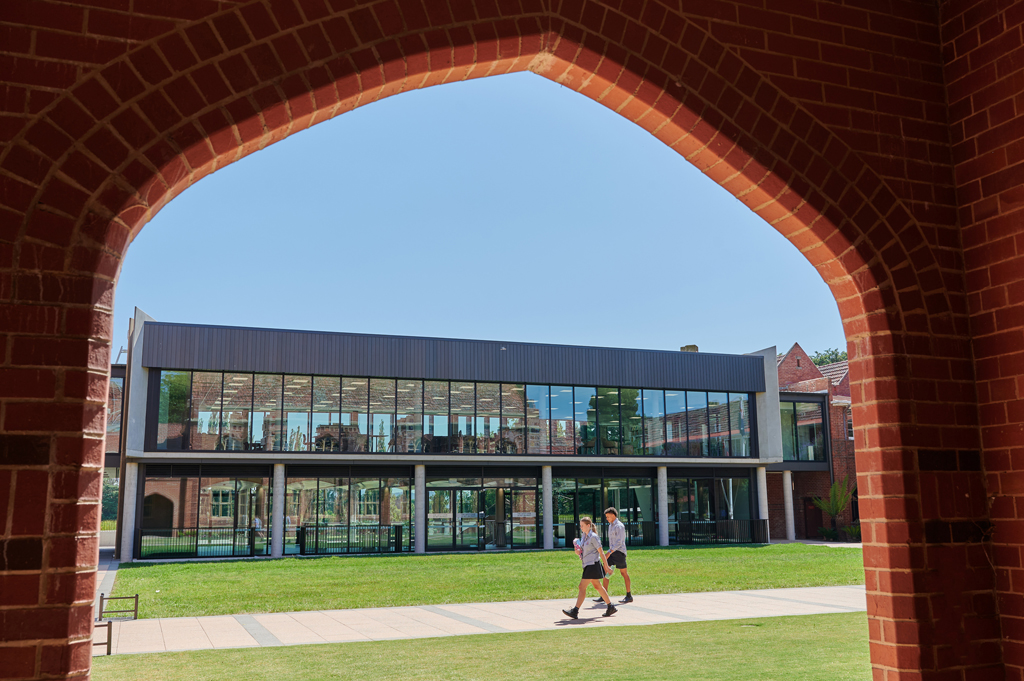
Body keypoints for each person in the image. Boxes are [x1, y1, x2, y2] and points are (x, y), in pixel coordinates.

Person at [562, 517, 617, 619]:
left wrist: (606, 566)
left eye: (582, 525)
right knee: (598, 586)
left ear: (588, 525)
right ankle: (610, 606)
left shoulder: (594, 537)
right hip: (587, 564)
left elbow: (601, 552)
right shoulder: (584, 536)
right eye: (580, 525)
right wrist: (577, 551)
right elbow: (582, 551)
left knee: (581, 587)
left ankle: (575, 611)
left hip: (593, 564)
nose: (580, 527)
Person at [594, 507, 633, 604]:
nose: (606, 518)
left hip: (619, 552)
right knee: (605, 571)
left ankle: (629, 595)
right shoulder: (610, 525)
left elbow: (619, 542)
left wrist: (609, 552)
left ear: (613, 515)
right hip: (611, 551)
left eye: (608, 516)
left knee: (623, 573)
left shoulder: (619, 526)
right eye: (606, 517)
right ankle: (604, 595)